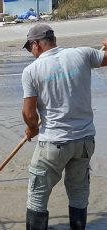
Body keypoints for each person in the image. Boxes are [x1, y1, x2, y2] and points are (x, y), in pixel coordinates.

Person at [21, 23, 107, 229]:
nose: (30, 52)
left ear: (36, 44)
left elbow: (29, 113)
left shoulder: (32, 71)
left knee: (37, 196)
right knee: (78, 193)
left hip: (53, 142)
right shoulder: (82, 54)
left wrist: (32, 128)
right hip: (84, 141)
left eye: (29, 47)